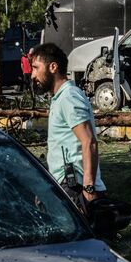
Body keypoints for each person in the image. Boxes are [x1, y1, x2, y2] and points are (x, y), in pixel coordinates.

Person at [30, 43, 106, 210]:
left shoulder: (69, 97)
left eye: (36, 68)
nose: (32, 75)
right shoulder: (61, 97)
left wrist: (89, 188)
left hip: (76, 189)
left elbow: (89, 142)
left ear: (53, 67)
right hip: (66, 186)